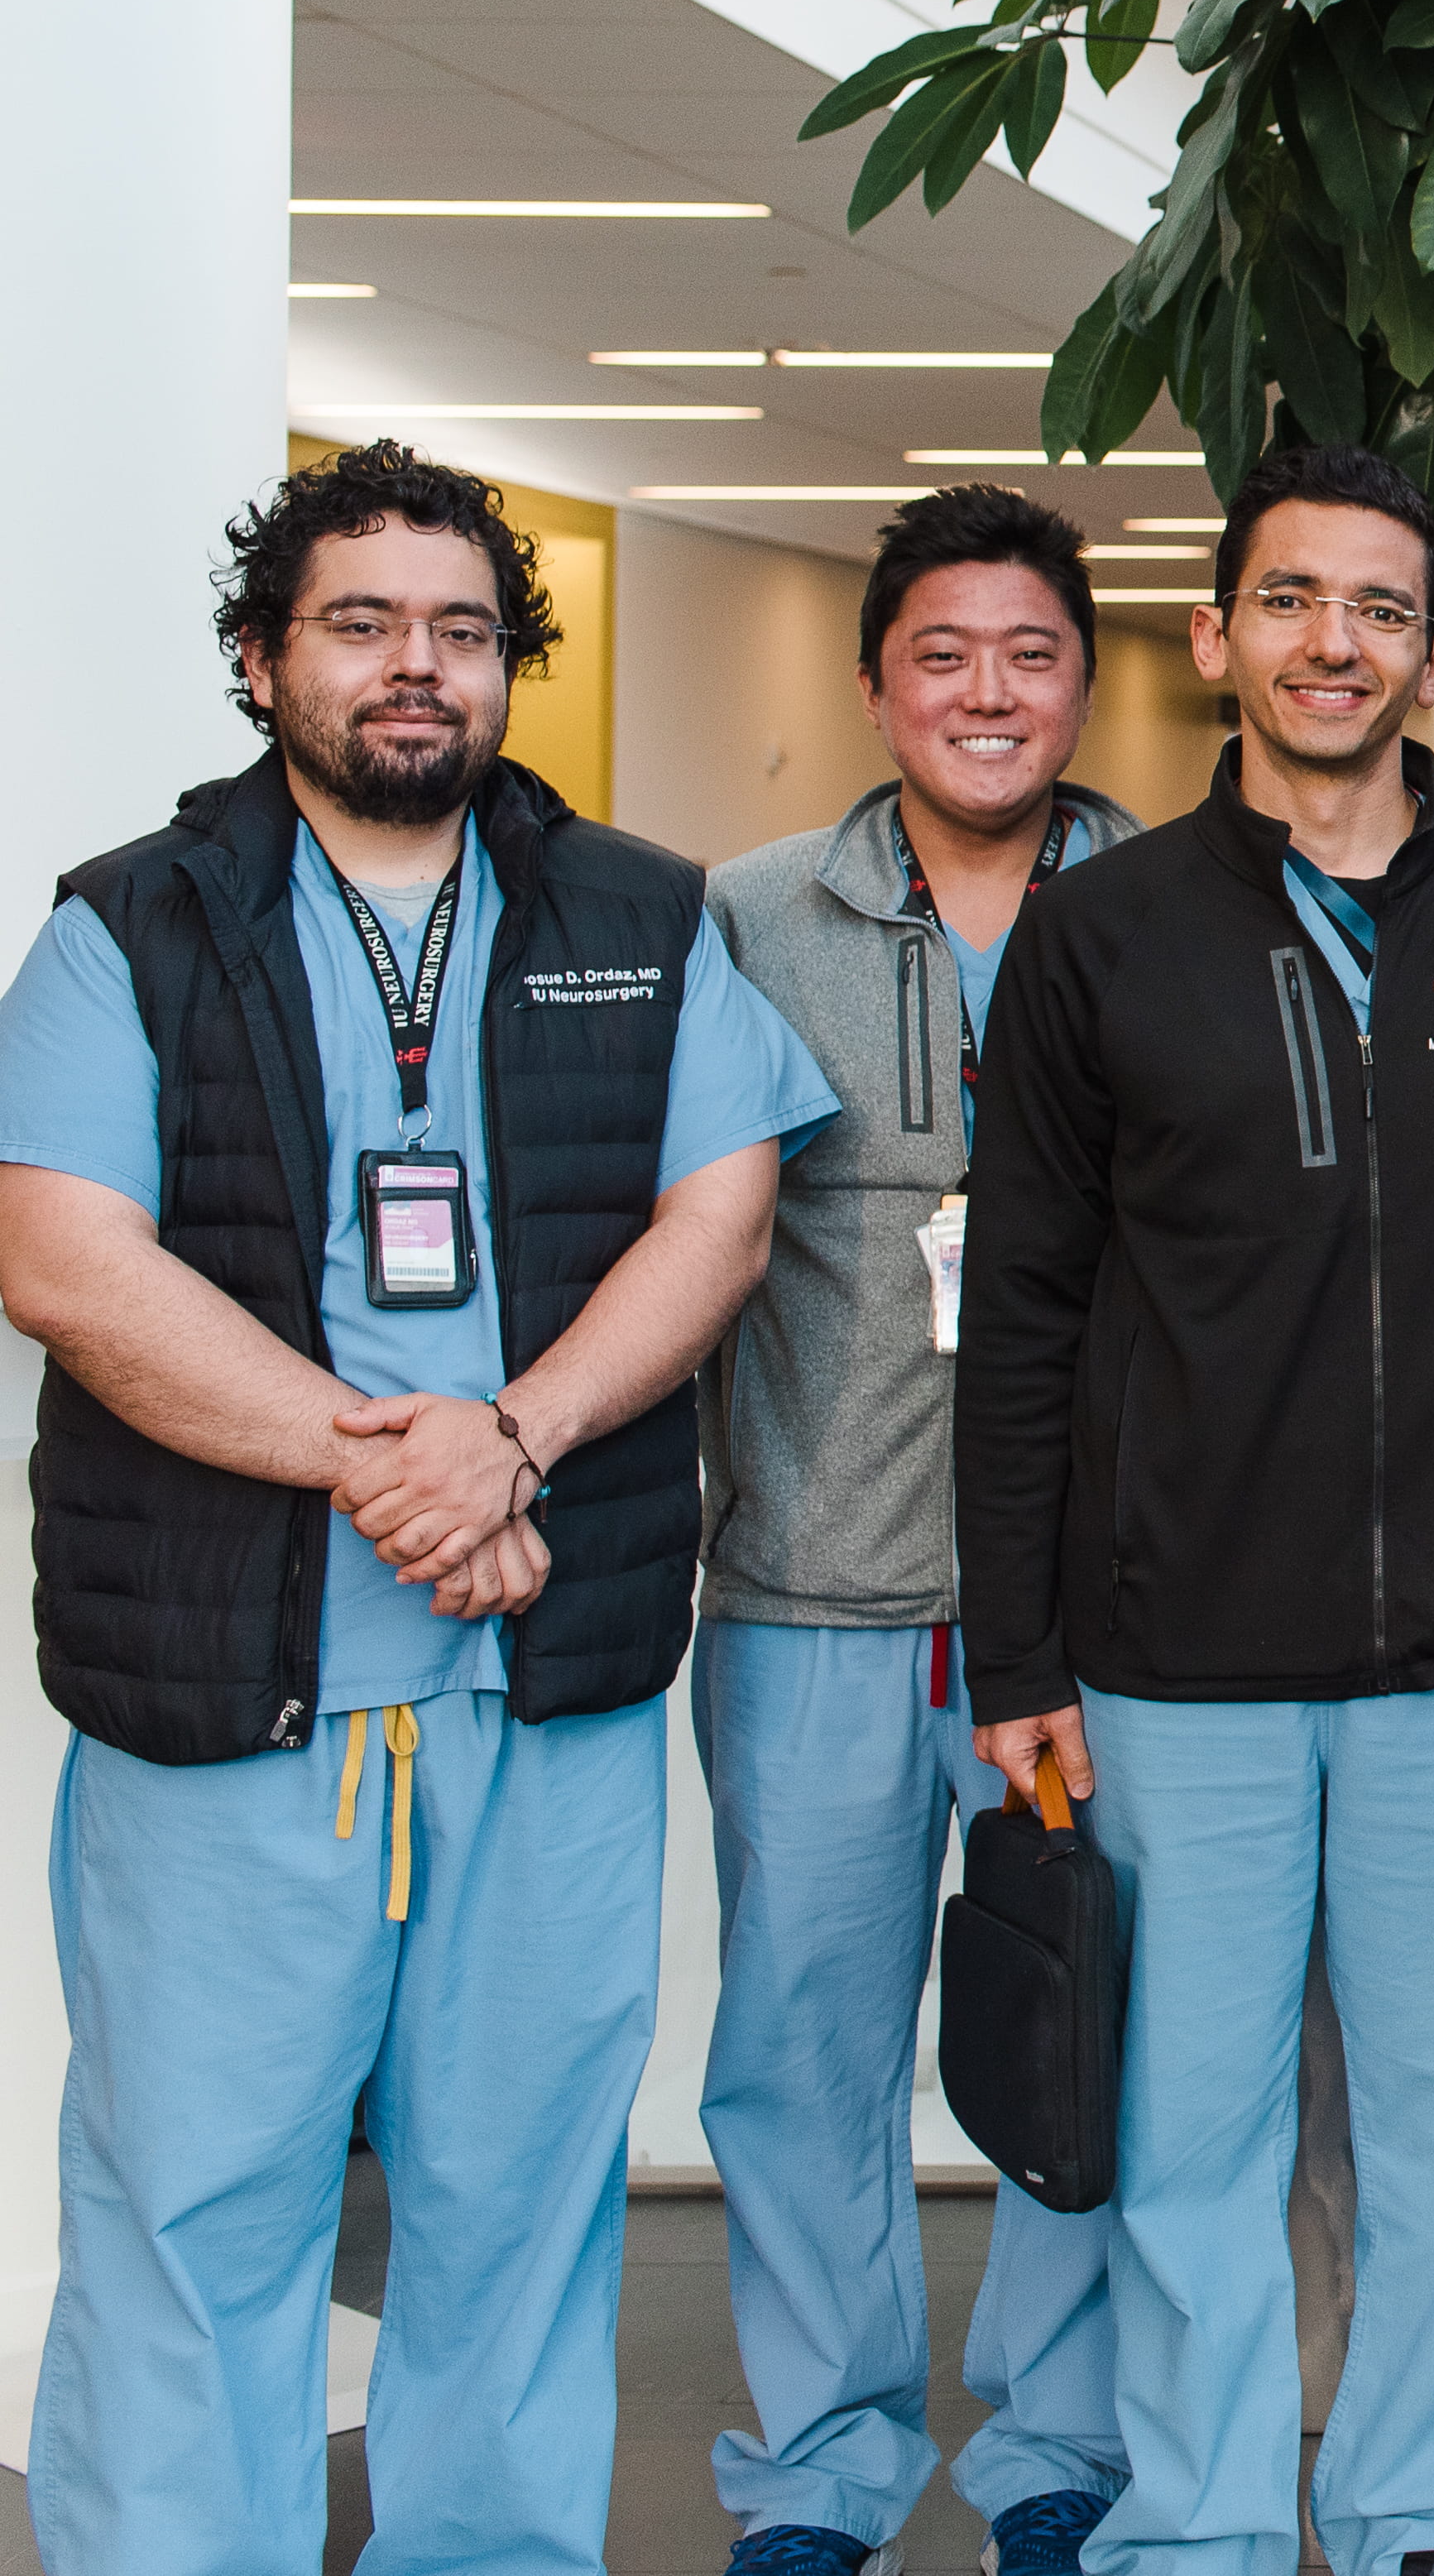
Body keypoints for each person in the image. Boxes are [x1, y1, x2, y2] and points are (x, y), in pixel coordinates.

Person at [0, 439, 832, 2573]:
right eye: (361, 623)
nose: (415, 668)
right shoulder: (133, 924)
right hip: (231, 1714)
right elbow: (66, 1262)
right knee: (200, 2210)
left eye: (462, 630)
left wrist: (518, 1437)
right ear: (267, 655)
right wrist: (404, 1467)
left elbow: (722, 1214)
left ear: (507, 666)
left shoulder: (638, 913)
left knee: (522, 2209)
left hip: (538, 1703)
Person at [956, 443, 1434, 2576]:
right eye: (1296, 601)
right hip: (1177, 1665)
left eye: (1385, 610)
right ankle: (1203, 2532)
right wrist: (1020, 1653)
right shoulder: (1101, 934)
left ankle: (1428, 2515)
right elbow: (1026, 1314)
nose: (1339, 644)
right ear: (1222, 632)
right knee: (1191, 2138)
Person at [698, 486, 1143, 2576]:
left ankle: (1060, 2454)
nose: (987, 691)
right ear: (876, 682)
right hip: (819, 1581)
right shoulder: (745, 917)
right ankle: (824, 2465)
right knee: (804, 2046)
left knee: (1085, 2031)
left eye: (1029, 652)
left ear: (1084, 678)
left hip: (1105, 1600)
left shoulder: (1170, 906)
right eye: (941, 654)